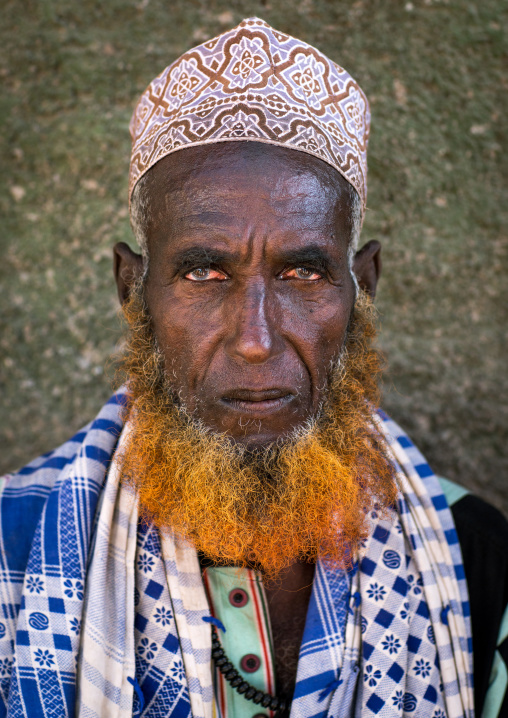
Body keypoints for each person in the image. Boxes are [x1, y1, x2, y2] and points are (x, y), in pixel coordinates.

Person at [1, 17, 506, 718]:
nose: (256, 341)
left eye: (303, 273)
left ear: (363, 287)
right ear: (131, 289)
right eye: (204, 272)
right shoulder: (13, 552)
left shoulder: (479, 561)